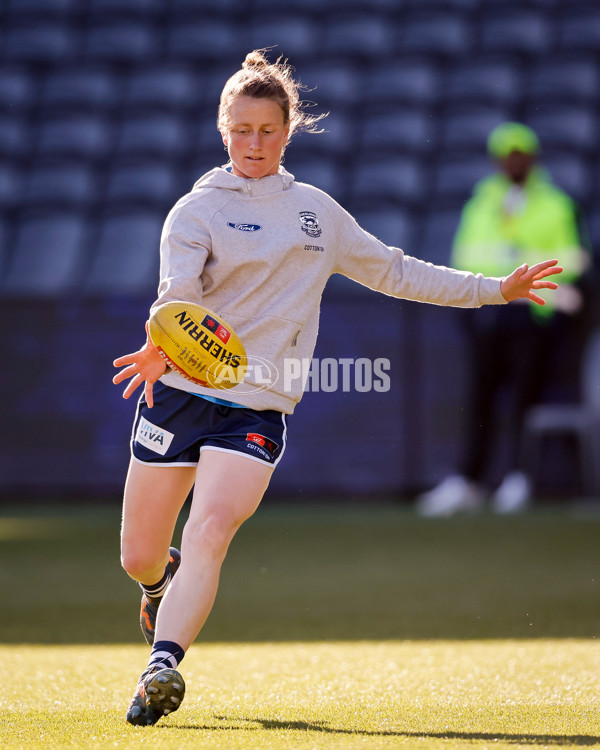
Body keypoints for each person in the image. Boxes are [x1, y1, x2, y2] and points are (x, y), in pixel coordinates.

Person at [112, 53, 562, 726]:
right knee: (138, 553)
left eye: (267, 129)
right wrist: (160, 338)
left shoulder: (315, 214)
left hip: (259, 403)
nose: (254, 143)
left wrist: (497, 289)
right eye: (242, 130)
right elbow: (176, 300)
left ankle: (162, 667)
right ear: (222, 128)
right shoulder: (194, 212)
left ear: (288, 131)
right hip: (178, 394)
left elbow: (398, 272)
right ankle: (156, 585)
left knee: (209, 530)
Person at [416, 122, 589, 518]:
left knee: (527, 400)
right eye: (507, 154)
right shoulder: (482, 202)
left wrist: (520, 272)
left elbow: (573, 257)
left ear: (531, 158)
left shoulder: (555, 203)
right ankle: (471, 481)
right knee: (481, 400)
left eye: (520, 154)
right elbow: (466, 256)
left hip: (533, 314)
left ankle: (519, 478)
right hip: (489, 313)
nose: (513, 161)